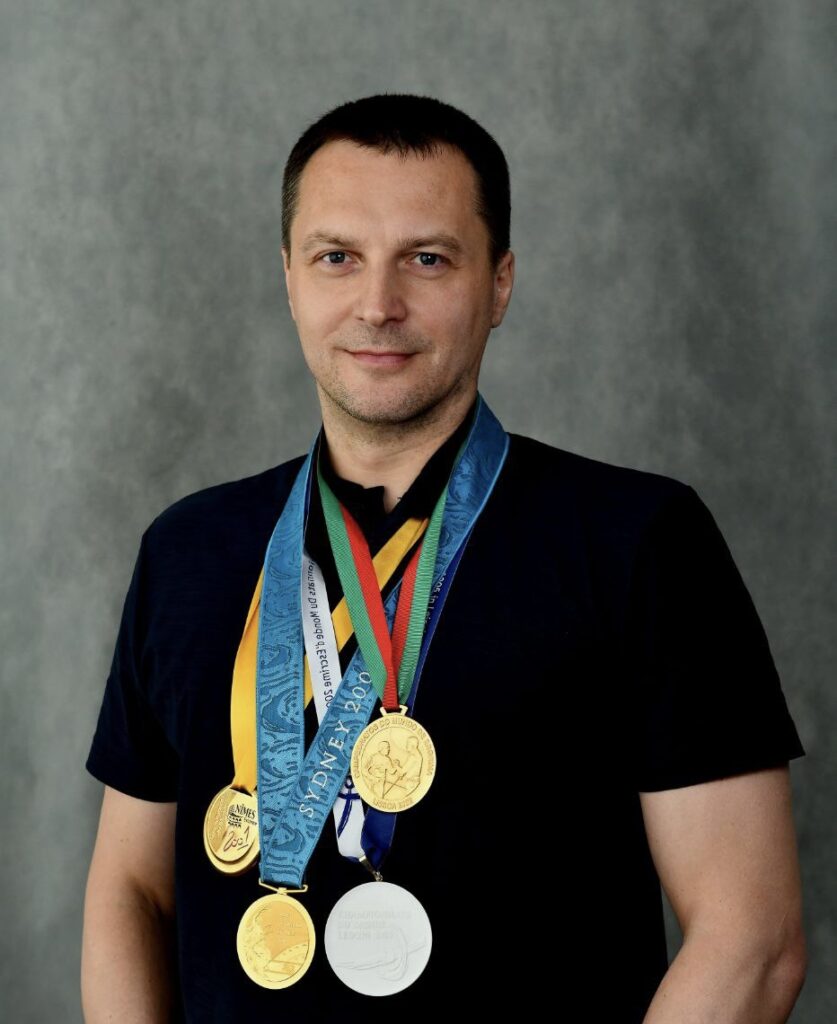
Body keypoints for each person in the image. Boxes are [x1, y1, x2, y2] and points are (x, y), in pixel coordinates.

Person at [81, 93, 807, 1023]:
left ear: (499, 283)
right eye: (337, 257)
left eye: (426, 259)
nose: (377, 305)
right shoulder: (186, 549)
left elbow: (752, 942)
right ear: (288, 278)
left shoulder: (637, 541)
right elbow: (131, 893)